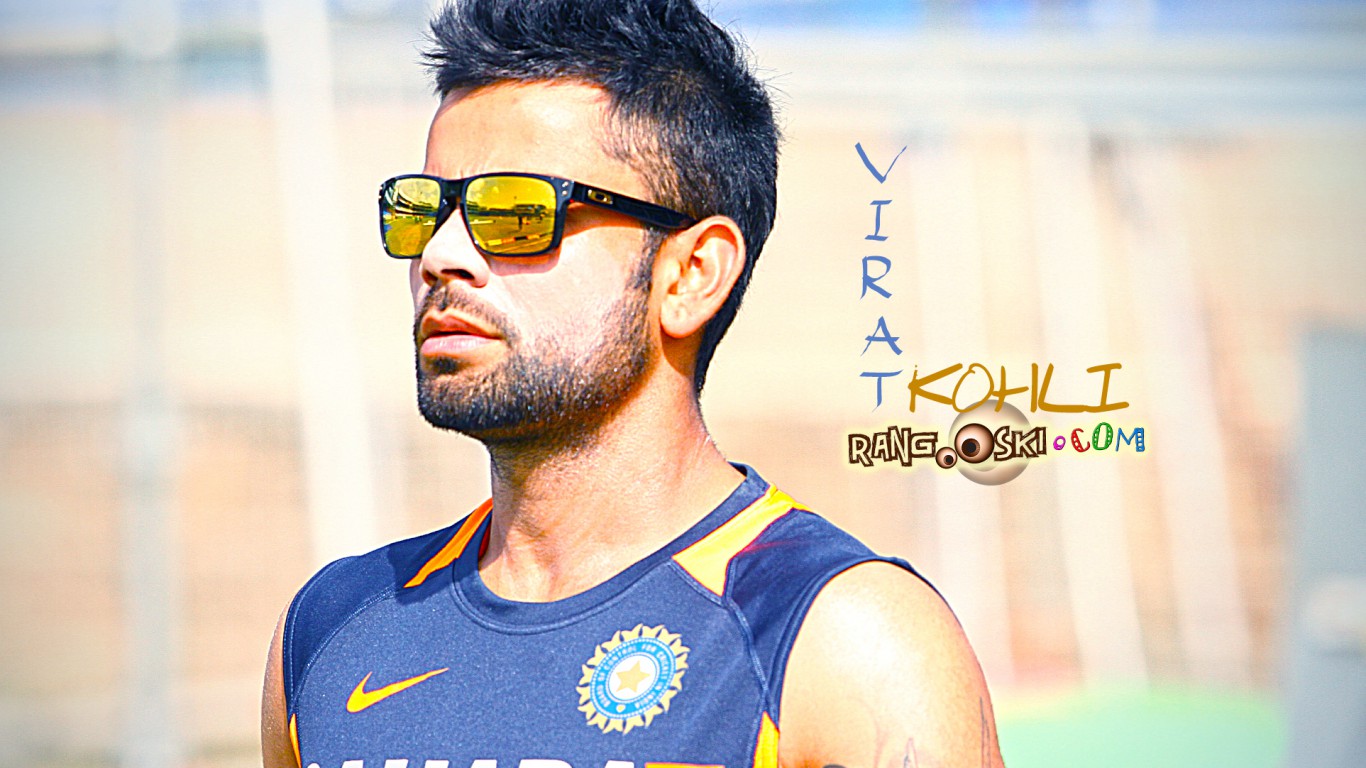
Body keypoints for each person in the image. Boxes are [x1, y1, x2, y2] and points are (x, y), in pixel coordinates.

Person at [262, 1, 1004, 766]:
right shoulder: (328, 632)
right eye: (423, 211)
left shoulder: (844, 644)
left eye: (515, 213)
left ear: (691, 275)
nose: (441, 256)